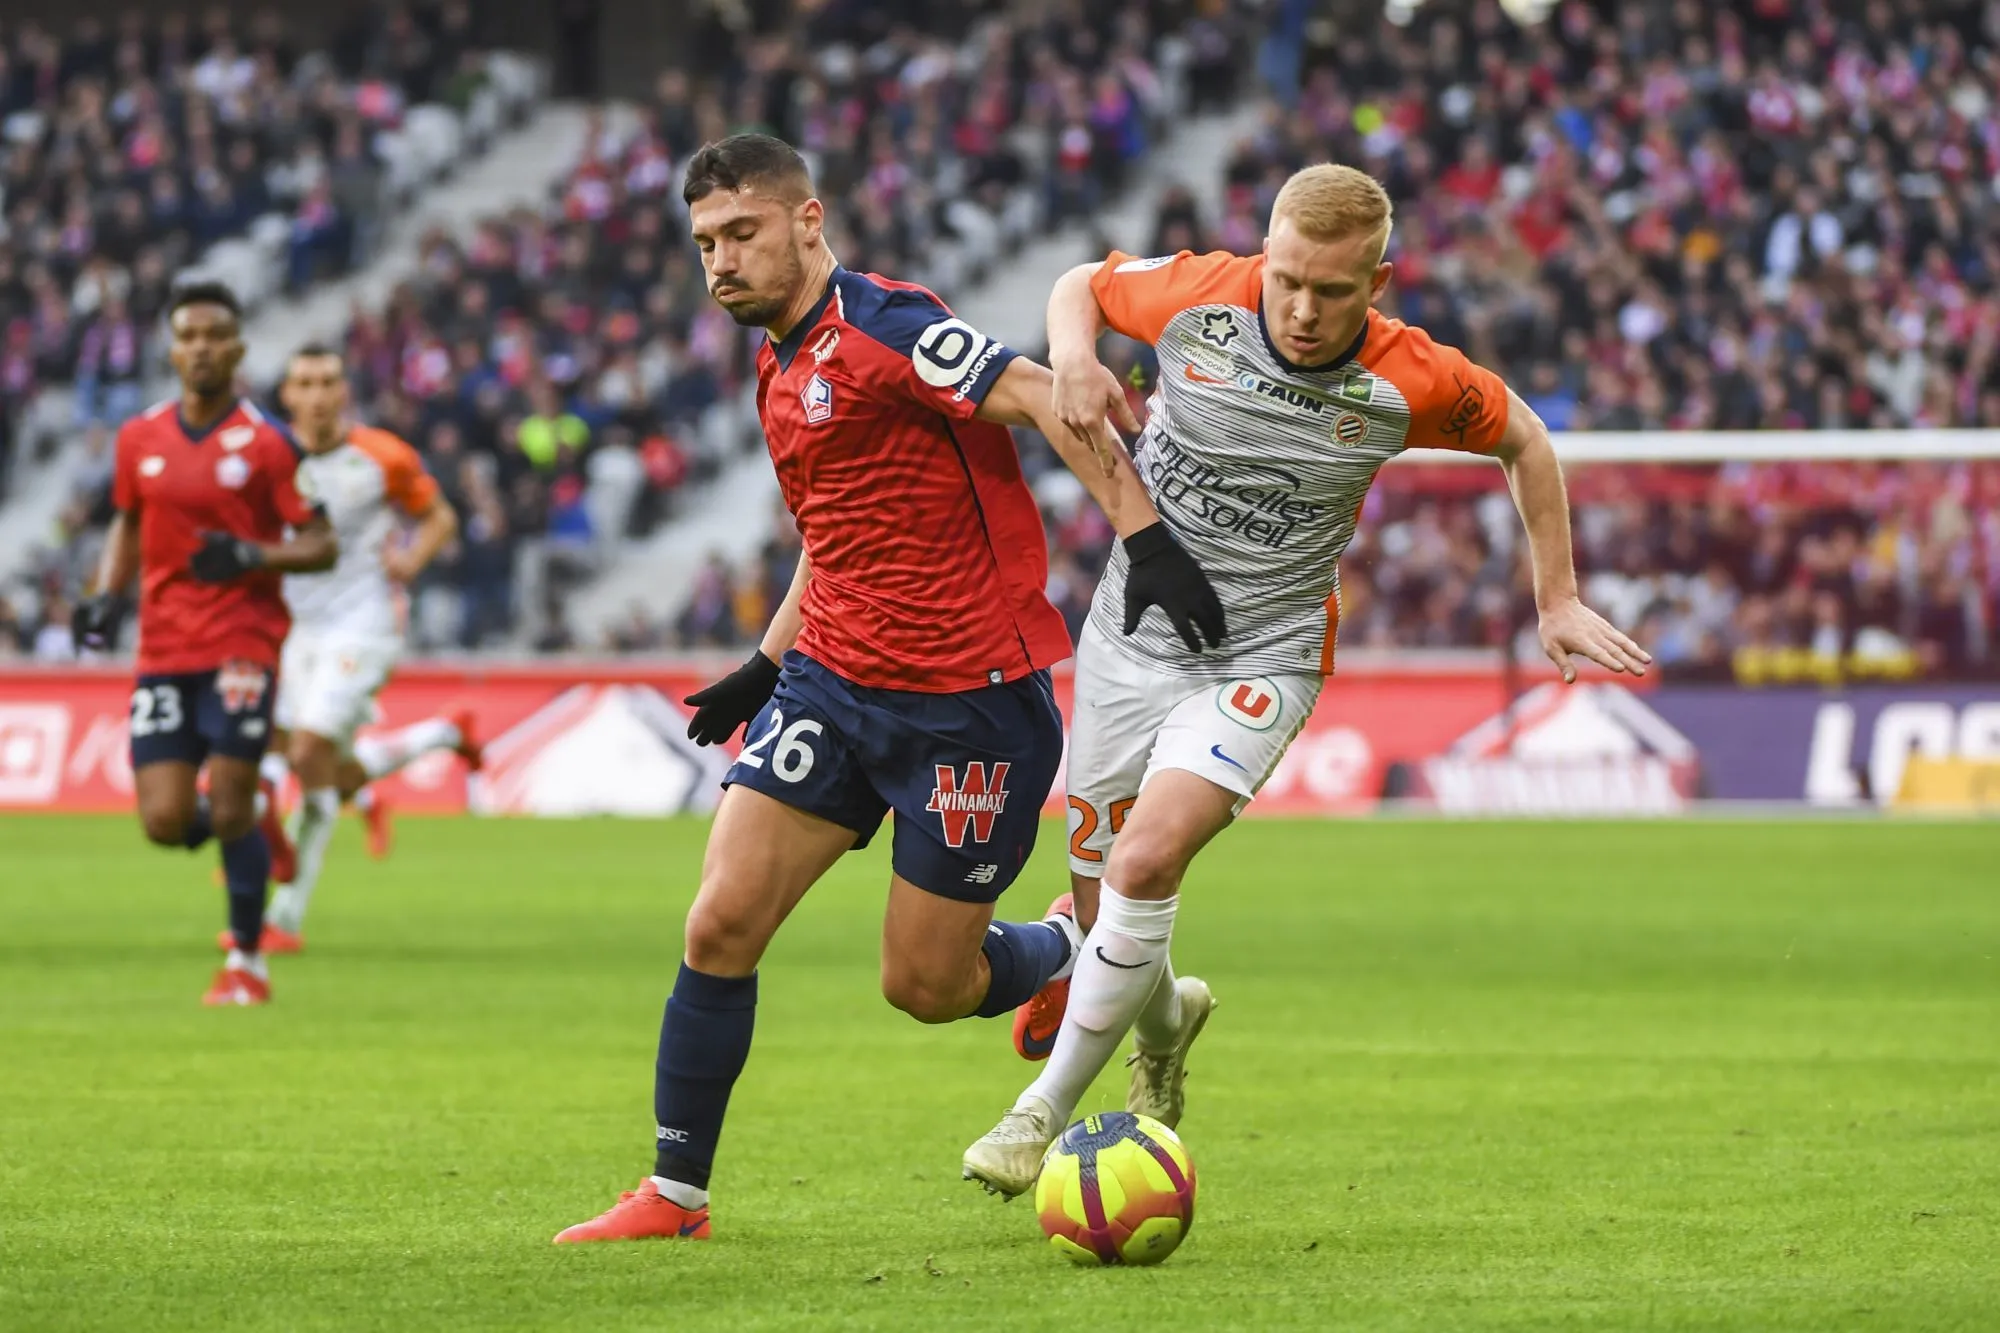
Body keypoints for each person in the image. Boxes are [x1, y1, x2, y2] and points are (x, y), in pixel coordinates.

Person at [552, 133, 1224, 1244]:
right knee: (719, 921)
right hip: (832, 685)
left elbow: (1039, 393)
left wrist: (1143, 539)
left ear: (807, 221)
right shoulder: (777, 362)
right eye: (705, 243)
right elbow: (837, 532)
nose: (721, 261)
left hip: (970, 706)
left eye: (743, 234)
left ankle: (1064, 945)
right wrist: (766, 664)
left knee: (924, 985)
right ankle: (674, 1194)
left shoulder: (889, 327)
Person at [961, 164, 1652, 1196]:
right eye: (1285, 279)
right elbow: (1081, 285)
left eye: (1330, 291)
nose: (1299, 308)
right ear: (1265, 255)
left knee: (1146, 861)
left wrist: (1554, 597)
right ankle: (1168, 1024)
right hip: (1129, 640)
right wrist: (1072, 357)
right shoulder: (1202, 295)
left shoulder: (1411, 377)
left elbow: (1525, 438)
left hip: (1264, 658)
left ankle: (1037, 1116)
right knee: (1105, 913)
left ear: (1377, 283)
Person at [70, 282, 339, 1007]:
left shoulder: (269, 443)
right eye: (188, 336)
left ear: (238, 349)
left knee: (224, 804)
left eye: (215, 336)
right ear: (171, 349)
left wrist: (251, 555)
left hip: (241, 642)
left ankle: (247, 961)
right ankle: (252, 819)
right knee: (163, 821)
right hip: (163, 647)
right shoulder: (139, 438)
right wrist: (106, 593)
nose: (201, 349)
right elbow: (128, 522)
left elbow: (321, 542)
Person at [234, 344, 482, 954]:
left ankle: (284, 917)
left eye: (328, 382)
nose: (317, 394)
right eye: (305, 383)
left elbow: (440, 518)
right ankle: (442, 734)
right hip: (295, 630)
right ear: (287, 395)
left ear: (344, 391)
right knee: (321, 766)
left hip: (364, 622)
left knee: (308, 751)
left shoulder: (382, 455)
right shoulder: (266, 458)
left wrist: (411, 561)